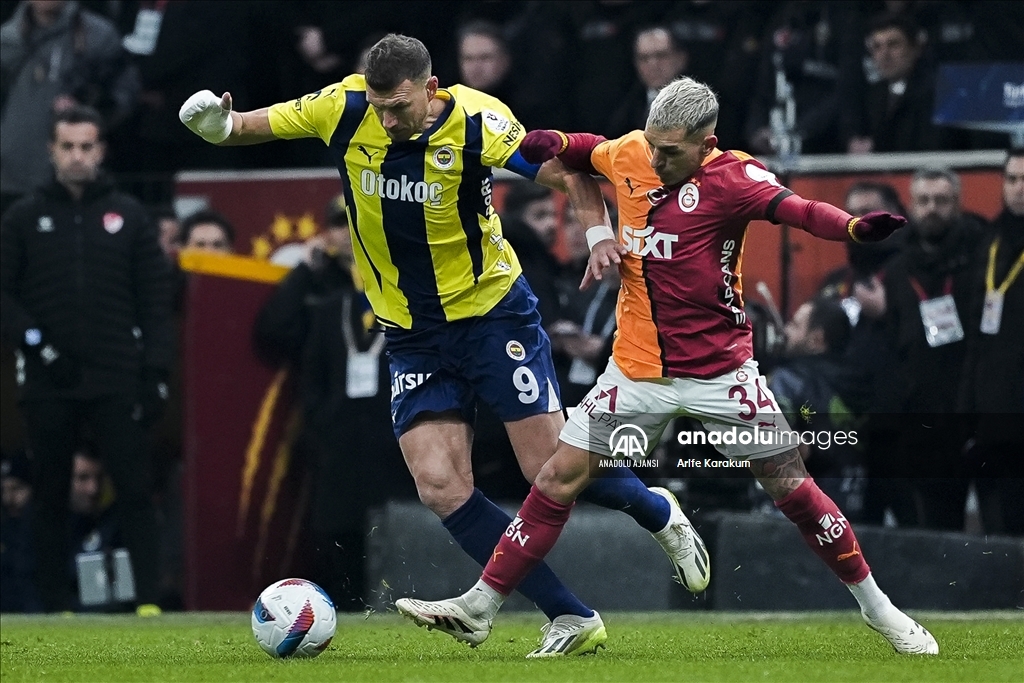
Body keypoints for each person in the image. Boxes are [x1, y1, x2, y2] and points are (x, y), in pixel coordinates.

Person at [179, 33, 707, 658]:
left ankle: (657, 510)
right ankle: (568, 613)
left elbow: (568, 170)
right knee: (439, 485)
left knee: (547, 467)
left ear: (430, 89)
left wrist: (597, 234)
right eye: (379, 106)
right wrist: (216, 125)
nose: (387, 120)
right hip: (412, 333)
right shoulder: (343, 106)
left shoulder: (478, 120)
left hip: (492, 317)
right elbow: (247, 125)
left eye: (399, 106)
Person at [396, 76, 938, 657]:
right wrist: (553, 141)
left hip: (721, 374)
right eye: (652, 145)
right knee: (555, 479)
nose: (655, 159)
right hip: (634, 373)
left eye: (671, 151)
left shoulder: (737, 179)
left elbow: (800, 211)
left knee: (793, 489)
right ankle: (482, 606)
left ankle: (880, 609)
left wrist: (851, 227)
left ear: (707, 144)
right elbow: (585, 151)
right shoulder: (634, 152)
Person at [0, 104, 173, 615]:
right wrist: (37, 345)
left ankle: (148, 601)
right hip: (48, 376)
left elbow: (154, 300)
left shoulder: (130, 216)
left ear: (101, 151)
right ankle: (55, 603)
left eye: (86, 146)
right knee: (50, 492)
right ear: (52, 151)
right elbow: (4, 295)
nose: (77, 156)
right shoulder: (23, 217)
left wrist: (156, 371)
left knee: (135, 489)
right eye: (68, 147)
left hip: (116, 374)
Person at [253, 194, 412, 610]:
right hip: (338, 440)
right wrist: (305, 270)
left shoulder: (405, 282)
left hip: (393, 439)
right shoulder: (321, 287)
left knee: (396, 533)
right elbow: (274, 331)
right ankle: (339, 609)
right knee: (336, 534)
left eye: (359, 221)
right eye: (341, 224)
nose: (350, 232)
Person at [859, 168, 981, 531]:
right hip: (920, 419)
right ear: (911, 207)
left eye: (941, 201)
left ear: (957, 204)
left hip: (973, 410)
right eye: (924, 201)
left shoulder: (981, 260)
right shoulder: (896, 270)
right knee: (934, 528)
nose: (932, 209)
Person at [0, 0, 140, 215]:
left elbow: (124, 95)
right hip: (11, 174)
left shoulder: (96, 36)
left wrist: (84, 112)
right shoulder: (7, 38)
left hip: (77, 178)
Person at [959, 149, 1024, 535]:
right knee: (999, 524)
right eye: (1012, 179)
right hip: (993, 412)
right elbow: (976, 333)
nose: (1019, 189)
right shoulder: (989, 241)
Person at [769, 297, 867, 521]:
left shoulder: (789, 381)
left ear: (816, 339)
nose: (786, 331)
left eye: (794, 325)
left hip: (802, 517)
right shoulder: (864, 383)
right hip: (858, 511)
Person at [606, 25, 689, 139]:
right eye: (644, 58)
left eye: (661, 56)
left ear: (681, 59)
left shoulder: (701, 106)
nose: (653, 65)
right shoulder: (624, 110)